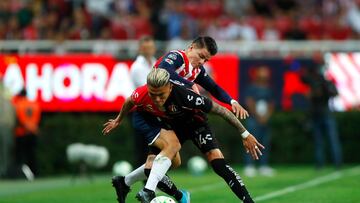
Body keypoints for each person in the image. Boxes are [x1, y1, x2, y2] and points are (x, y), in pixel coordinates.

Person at [106, 36, 249, 203]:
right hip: (158, 114)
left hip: (180, 115)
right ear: (191, 47)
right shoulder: (175, 57)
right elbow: (165, 72)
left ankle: (125, 182)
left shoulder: (196, 70)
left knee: (171, 162)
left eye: (206, 59)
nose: (202, 61)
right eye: (201, 56)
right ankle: (149, 191)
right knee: (163, 157)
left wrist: (232, 101)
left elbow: (214, 87)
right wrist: (188, 88)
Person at [301, 63, 342, 169]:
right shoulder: (313, 82)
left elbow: (334, 93)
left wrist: (324, 91)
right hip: (316, 114)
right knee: (319, 141)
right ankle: (320, 164)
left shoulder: (326, 83)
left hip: (326, 113)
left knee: (332, 140)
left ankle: (337, 163)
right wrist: (313, 93)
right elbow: (303, 79)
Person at [129, 35, 158, 168]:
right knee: (143, 149)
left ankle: (155, 180)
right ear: (141, 49)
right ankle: (145, 182)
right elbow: (146, 90)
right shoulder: (137, 67)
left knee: (156, 148)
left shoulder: (155, 62)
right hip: (142, 111)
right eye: (146, 47)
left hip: (154, 111)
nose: (149, 50)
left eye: (151, 47)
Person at [243, 66, 275, 177]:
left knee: (264, 142)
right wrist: (257, 115)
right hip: (253, 119)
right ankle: (249, 166)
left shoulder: (268, 88)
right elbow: (249, 102)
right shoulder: (252, 87)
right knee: (251, 142)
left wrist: (266, 116)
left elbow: (271, 104)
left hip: (265, 119)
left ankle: (263, 165)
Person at [12, 89, 41, 179]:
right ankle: (33, 174)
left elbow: (18, 120)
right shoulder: (35, 104)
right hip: (33, 133)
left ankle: (22, 175)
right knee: (31, 155)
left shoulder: (19, 105)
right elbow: (38, 120)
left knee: (20, 157)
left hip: (22, 134)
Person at [0, 77, 16, 178]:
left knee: (6, 149)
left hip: (7, 126)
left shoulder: (8, 96)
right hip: (4, 125)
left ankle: (5, 171)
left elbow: (12, 113)